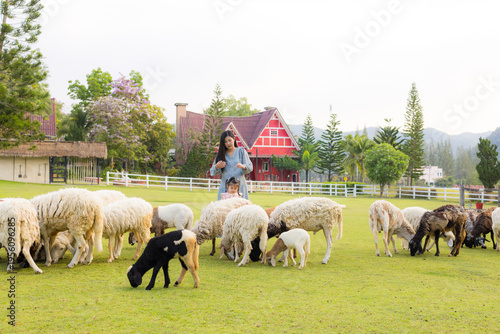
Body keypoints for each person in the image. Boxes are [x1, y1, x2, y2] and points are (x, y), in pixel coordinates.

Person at [210, 130, 253, 200]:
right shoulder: (221, 155)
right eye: (225, 142)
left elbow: (250, 167)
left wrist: (243, 166)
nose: (228, 143)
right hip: (225, 189)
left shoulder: (241, 152)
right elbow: (212, 172)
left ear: (234, 139)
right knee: (224, 209)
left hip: (239, 188)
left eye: (229, 140)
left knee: (241, 209)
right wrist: (217, 166)